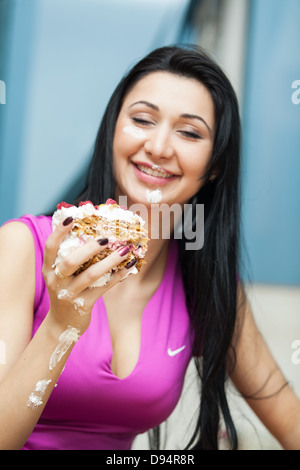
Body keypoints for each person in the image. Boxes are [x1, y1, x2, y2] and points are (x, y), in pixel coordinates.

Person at [0, 45, 299, 451]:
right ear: (113, 132)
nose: (159, 147)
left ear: (214, 166)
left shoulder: (202, 279)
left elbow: (285, 412)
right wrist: (61, 324)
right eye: (142, 120)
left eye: (189, 132)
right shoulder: (23, 247)